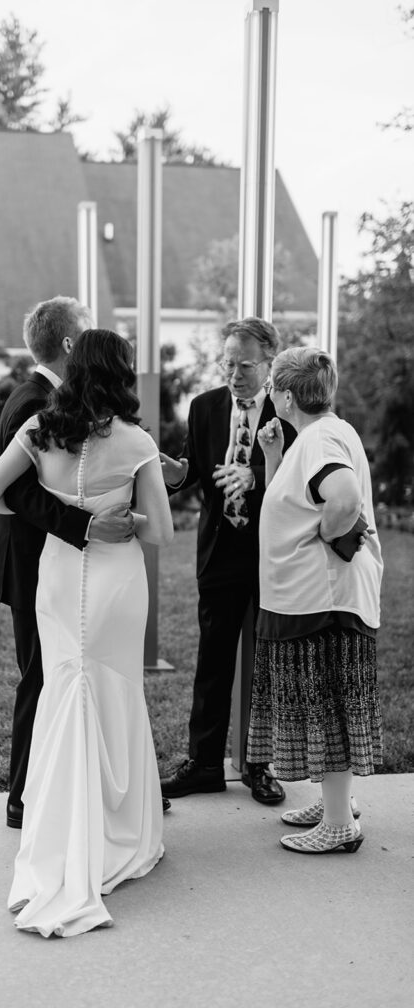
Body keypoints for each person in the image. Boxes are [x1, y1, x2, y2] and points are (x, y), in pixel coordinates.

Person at [0, 328, 174, 937]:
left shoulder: (38, 432)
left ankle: (58, 826)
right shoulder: (137, 440)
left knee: (64, 687)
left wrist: (73, 519)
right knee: (112, 689)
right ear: (120, 374)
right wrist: (124, 516)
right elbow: (159, 534)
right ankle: (119, 829)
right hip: (114, 583)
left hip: (58, 578)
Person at [0, 297, 135, 830]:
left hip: (45, 562)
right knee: (42, 679)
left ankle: (78, 785)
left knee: (57, 675)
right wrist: (87, 527)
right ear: (71, 344)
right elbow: (22, 493)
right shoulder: (34, 402)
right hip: (32, 565)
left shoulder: (50, 397)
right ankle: (23, 796)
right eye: (87, 334)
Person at [248, 347, 383, 853]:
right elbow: (301, 500)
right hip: (314, 597)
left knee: (324, 704)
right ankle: (336, 803)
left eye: (271, 388)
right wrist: (273, 458)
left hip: (321, 599)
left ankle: (339, 826)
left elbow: (342, 497)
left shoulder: (322, 437)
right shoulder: (322, 433)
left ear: (286, 394)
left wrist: (329, 535)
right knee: (321, 703)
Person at [159, 316, 295, 804]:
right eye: (228, 363)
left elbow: (299, 471)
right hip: (219, 551)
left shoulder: (287, 410)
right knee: (212, 661)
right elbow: (194, 470)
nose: (234, 373)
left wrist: (254, 474)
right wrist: (174, 471)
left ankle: (259, 765)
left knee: (264, 663)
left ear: (269, 365)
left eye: (244, 364)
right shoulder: (205, 406)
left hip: (270, 554)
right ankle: (203, 765)